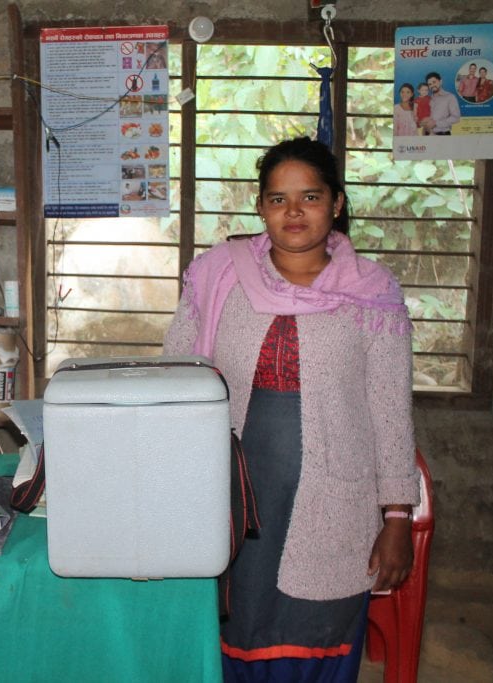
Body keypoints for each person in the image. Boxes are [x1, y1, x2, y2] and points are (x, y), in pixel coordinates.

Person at [164, 136, 420, 682]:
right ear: (260, 208)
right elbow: (176, 379)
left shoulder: (372, 293)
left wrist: (397, 516)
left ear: (337, 203)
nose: (294, 211)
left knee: (316, 621)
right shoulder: (218, 278)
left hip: (335, 492)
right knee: (232, 617)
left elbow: (391, 410)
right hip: (235, 488)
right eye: (278, 199)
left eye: (310, 196)